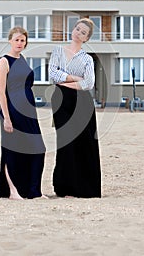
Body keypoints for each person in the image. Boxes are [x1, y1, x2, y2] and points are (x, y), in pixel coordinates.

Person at [49, 18, 101, 198]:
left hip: (83, 102)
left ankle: (84, 188)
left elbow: (89, 83)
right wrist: (75, 78)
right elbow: (53, 74)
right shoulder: (58, 51)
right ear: (73, 29)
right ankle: (65, 188)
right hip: (61, 102)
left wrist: (67, 82)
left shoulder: (87, 58)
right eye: (77, 29)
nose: (78, 33)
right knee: (66, 142)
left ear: (86, 38)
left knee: (85, 143)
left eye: (83, 32)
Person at [0, 26, 46, 200]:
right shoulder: (4, 61)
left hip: (28, 112)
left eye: (22, 40)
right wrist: (7, 118)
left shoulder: (23, 59)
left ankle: (34, 191)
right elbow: (1, 92)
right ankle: (13, 192)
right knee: (12, 151)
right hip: (12, 111)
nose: (19, 43)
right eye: (16, 39)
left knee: (38, 149)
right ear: (10, 40)